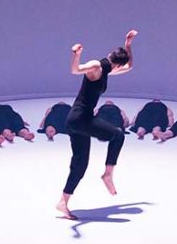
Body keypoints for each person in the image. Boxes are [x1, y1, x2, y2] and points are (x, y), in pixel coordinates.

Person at [56, 30, 138, 220]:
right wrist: (76, 54)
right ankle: (108, 174)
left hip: (76, 120)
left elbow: (130, 66)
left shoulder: (108, 70)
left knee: (80, 164)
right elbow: (75, 70)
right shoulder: (96, 66)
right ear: (115, 62)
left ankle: (63, 202)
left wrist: (128, 44)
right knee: (118, 135)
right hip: (81, 119)